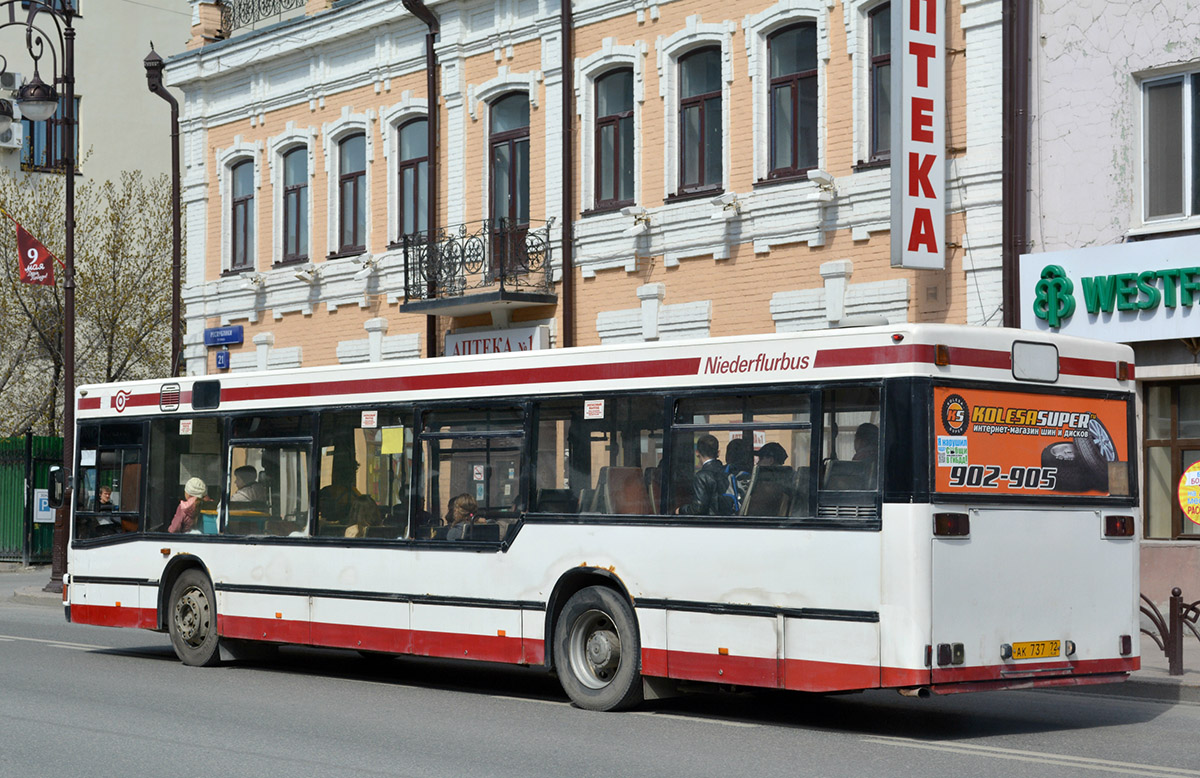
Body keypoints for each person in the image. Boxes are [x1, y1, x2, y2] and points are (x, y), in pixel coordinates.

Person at [677, 434, 730, 515]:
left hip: (711, 524)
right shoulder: (726, 471)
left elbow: (698, 508)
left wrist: (680, 510)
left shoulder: (702, 476)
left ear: (697, 453)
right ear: (718, 453)